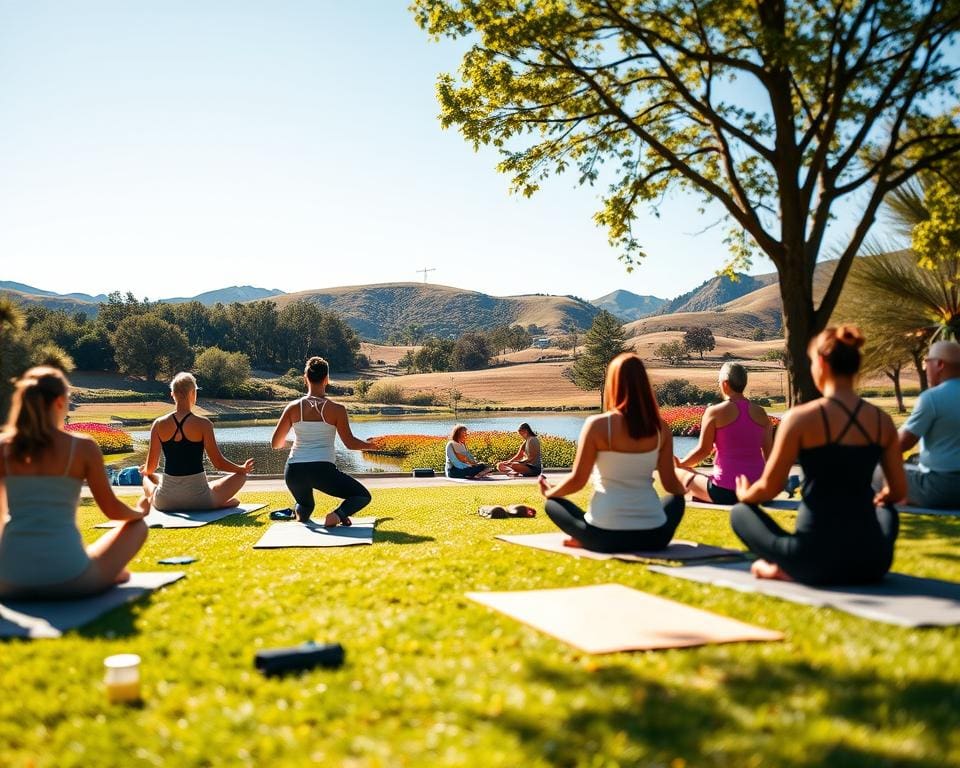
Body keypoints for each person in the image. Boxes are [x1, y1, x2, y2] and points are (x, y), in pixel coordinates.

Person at [731, 326, 907, 585]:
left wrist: (746, 495)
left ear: (822, 363)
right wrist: (882, 499)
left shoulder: (800, 419)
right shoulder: (883, 421)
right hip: (872, 561)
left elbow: (771, 487)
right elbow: (898, 491)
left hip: (814, 559)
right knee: (886, 511)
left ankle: (785, 569)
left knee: (740, 513)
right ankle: (791, 567)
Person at [0, 367, 148, 598]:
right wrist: (139, 512)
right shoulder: (82, 447)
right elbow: (112, 510)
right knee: (138, 528)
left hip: (9, 579)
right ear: (59, 402)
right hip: (68, 578)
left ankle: (105, 573)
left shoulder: (4, 448)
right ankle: (107, 574)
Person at [539, 353, 686, 552]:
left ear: (613, 384)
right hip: (655, 538)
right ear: (644, 384)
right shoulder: (661, 428)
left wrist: (550, 492)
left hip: (605, 538)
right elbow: (671, 485)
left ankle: (583, 539)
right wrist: (686, 488)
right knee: (677, 500)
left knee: (552, 504)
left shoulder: (598, 425)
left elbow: (578, 480)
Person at [271, 356, 377, 525]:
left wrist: (297, 443)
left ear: (305, 378)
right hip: (322, 471)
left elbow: (276, 443)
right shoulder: (337, 410)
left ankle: (297, 512)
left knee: (306, 506)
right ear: (327, 379)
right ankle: (336, 516)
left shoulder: (292, 408)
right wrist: (372, 446)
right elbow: (350, 443)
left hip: (294, 471)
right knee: (362, 496)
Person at [141, 372, 254, 511]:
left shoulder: (158, 424)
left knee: (148, 477)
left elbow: (151, 467)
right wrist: (241, 469)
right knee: (241, 477)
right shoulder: (203, 424)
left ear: (172, 394)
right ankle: (217, 503)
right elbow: (218, 463)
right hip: (200, 500)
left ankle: (217, 502)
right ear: (193, 393)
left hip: (165, 502)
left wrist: (145, 471)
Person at [674, 362, 773, 504]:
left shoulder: (714, 412)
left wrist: (681, 464)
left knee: (679, 473)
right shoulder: (761, 413)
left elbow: (704, 450)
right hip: (756, 490)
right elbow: (769, 455)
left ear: (725, 384)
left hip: (725, 492)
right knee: (699, 476)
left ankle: (700, 495)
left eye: (718, 381)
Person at [898, 340, 960, 509]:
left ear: (939, 364)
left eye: (927, 362)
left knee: (877, 471)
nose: (925, 368)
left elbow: (901, 444)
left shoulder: (932, 398)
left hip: (940, 489)